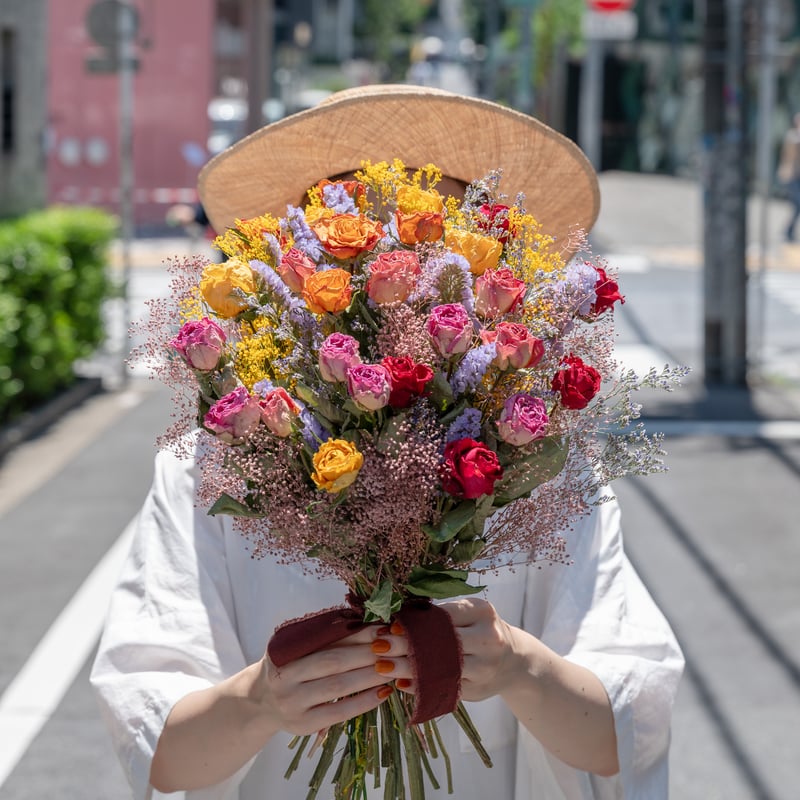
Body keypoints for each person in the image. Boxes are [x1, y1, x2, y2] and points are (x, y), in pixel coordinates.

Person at [90, 85, 684, 800]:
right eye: (357, 219)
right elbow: (157, 749)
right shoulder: (213, 464)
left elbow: (624, 732)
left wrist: (518, 667)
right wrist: (262, 701)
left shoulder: (545, 468)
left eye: (424, 224)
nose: (391, 248)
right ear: (302, 264)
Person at [778, 112, 800, 242]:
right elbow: (792, 151)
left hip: (798, 177)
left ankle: (788, 231)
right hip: (790, 176)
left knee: (797, 206)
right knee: (797, 204)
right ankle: (787, 231)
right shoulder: (792, 136)